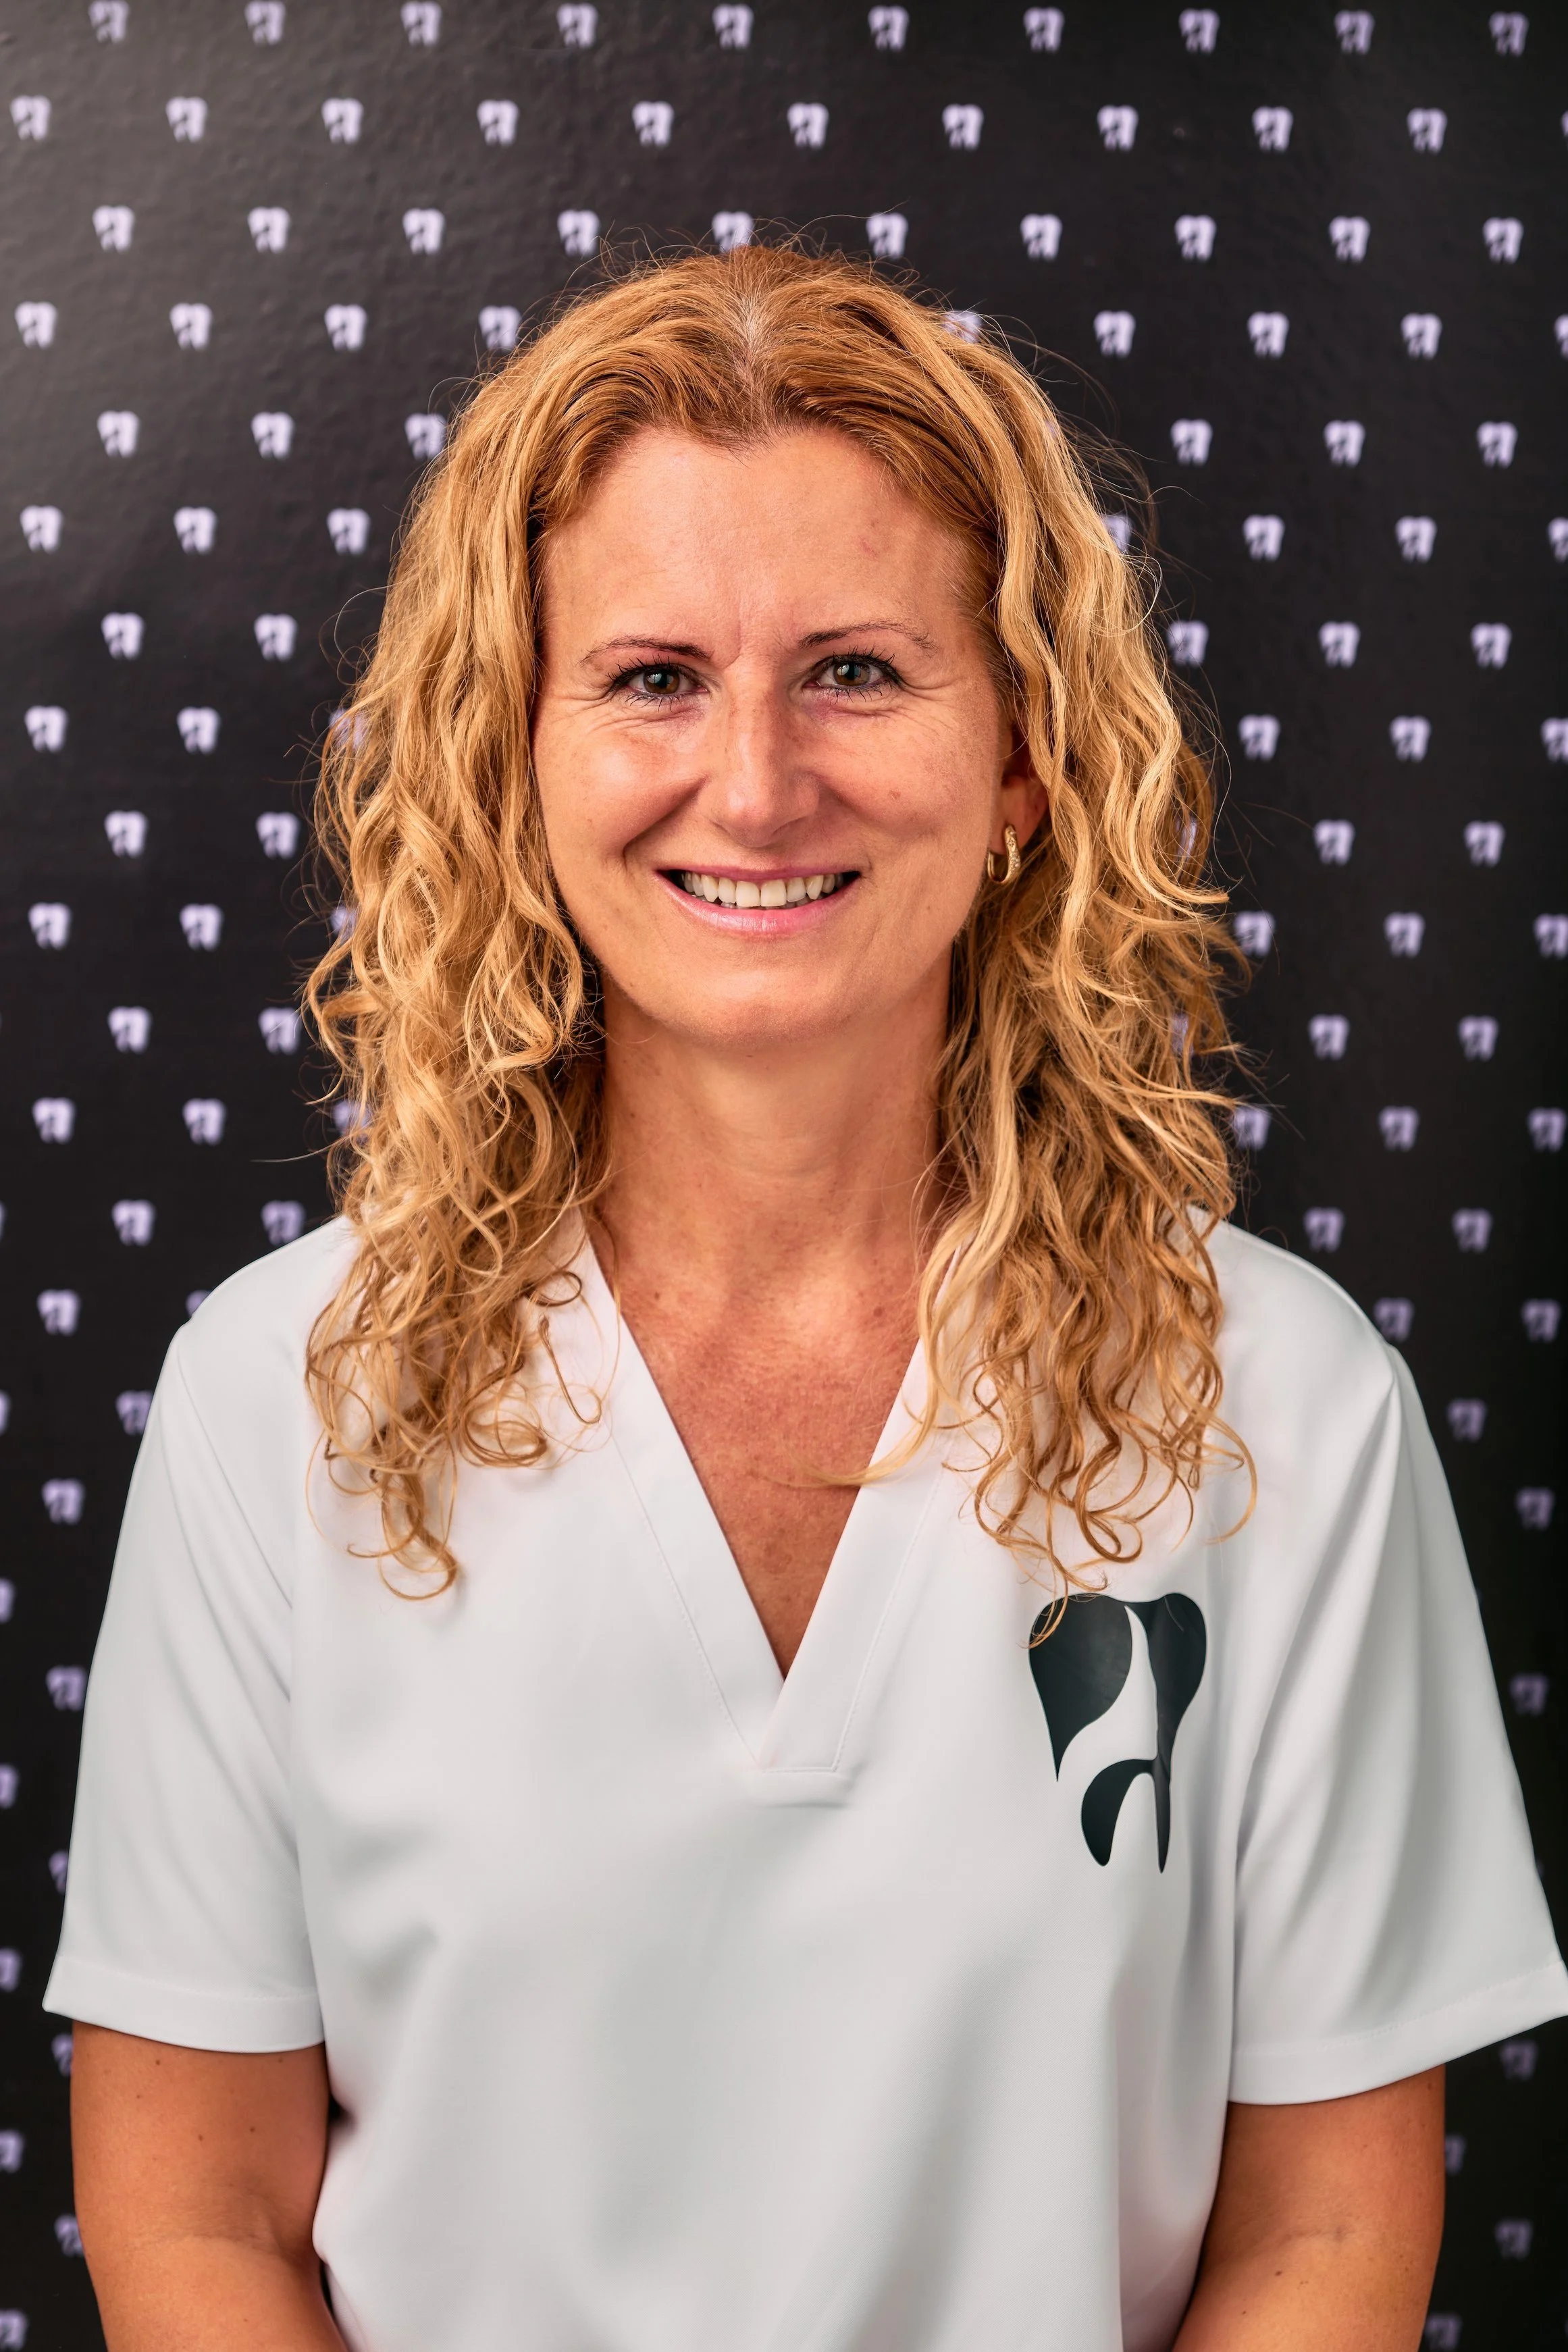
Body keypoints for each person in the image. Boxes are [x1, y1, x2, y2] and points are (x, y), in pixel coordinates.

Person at [47, 245, 1566, 2352]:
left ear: (1026, 752)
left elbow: (1323, 2230)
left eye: (856, 669)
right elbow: (195, 2216)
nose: (754, 786)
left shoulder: (1277, 1406)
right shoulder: (279, 1403)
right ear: (520, 757)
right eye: (654, 677)